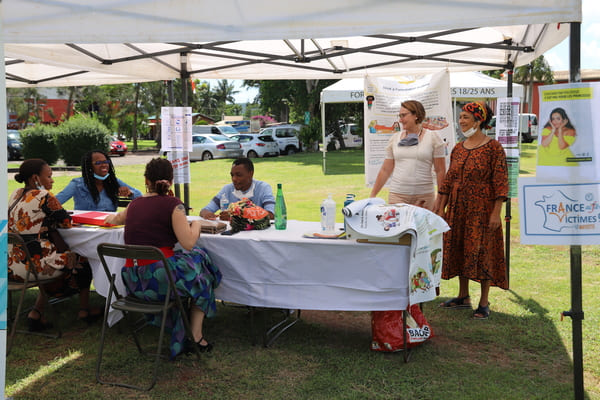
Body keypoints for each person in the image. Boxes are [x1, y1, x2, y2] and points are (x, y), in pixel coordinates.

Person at [105, 158, 222, 358]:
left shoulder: (134, 204)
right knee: (202, 267)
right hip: (160, 282)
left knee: (196, 263)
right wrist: (197, 225)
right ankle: (195, 335)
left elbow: (114, 219)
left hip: (134, 281)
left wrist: (109, 219)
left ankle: (184, 327)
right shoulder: (173, 205)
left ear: (145, 179)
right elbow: (187, 243)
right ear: (171, 179)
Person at [8, 159, 102, 331]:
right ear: (36, 178)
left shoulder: (15, 194)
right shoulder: (44, 196)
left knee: (57, 255)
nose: (52, 180)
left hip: (11, 267)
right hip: (34, 268)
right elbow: (66, 222)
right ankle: (84, 310)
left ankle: (36, 312)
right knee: (83, 259)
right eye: (49, 176)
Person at [435, 102, 508, 320]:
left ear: (479, 120)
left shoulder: (493, 148)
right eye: (460, 117)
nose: (461, 121)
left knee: (483, 251)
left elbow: (501, 183)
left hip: (482, 209)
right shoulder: (458, 148)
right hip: (458, 209)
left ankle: (484, 302)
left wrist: (496, 213)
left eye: (466, 117)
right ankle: (463, 296)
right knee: (459, 247)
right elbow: (448, 181)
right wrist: (441, 208)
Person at [369, 100, 446, 210]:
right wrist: (372, 196)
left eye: (403, 115)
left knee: (423, 227)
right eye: (399, 116)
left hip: (424, 197)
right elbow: (385, 170)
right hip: (398, 196)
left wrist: (440, 198)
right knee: (398, 227)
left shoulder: (433, 137)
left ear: (416, 115)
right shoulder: (394, 139)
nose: (400, 120)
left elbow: (440, 171)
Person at [55, 149, 142, 211]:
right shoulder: (77, 184)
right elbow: (56, 202)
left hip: (109, 228)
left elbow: (140, 196)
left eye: (106, 162)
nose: (104, 165)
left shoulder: (113, 182)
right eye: (98, 163)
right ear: (89, 167)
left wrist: (130, 193)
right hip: (85, 229)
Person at [199, 157, 275, 221]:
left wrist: (236, 216)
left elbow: (271, 215)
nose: (234, 179)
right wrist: (207, 214)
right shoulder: (226, 189)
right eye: (232, 175)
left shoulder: (263, 188)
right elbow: (205, 210)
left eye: (239, 175)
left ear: (251, 174)